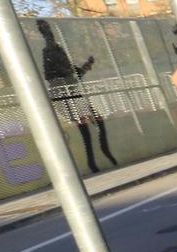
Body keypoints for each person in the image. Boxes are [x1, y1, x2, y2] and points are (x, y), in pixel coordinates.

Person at [37, 19, 117, 174]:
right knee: (84, 125)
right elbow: (64, 75)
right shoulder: (51, 57)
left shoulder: (60, 61)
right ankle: (92, 161)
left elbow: (76, 75)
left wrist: (86, 66)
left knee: (95, 119)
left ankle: (102, 152)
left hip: (72, 94)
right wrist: (79, 68)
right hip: (63, 96)